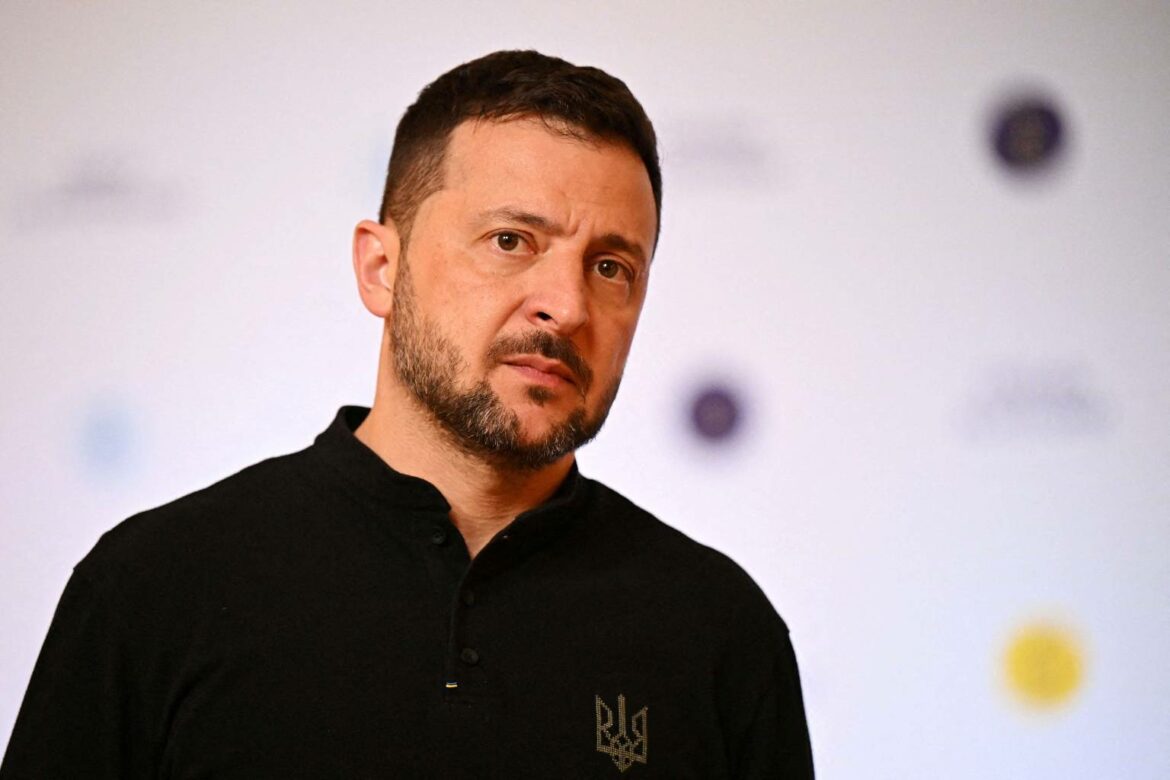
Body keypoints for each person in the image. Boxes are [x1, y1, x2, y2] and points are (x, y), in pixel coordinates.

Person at [1, 50, 814, 778]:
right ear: (380, 268)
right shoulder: (153, 589)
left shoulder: (720, 632)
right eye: (511, 241)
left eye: (610, 267)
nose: (566, 307)